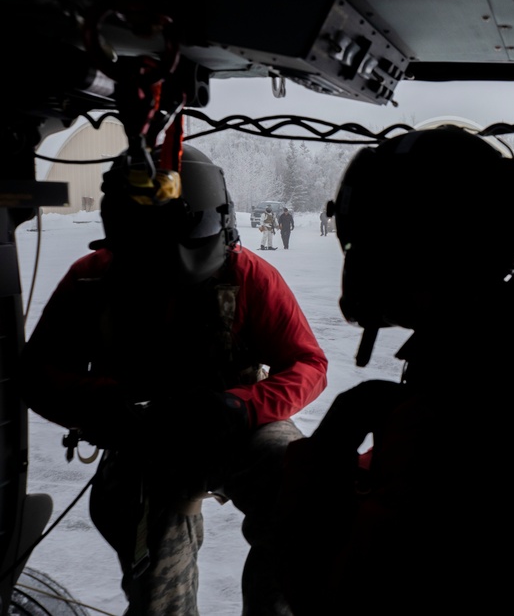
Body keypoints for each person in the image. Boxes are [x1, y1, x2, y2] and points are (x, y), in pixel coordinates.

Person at [278, 126, 514, 616]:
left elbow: (335, 593)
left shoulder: (464, 407)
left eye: (363, 244)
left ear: (414, 253)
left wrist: (323, 458)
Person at [15, 145, 328, 615]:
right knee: (158, 567)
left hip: (236, 426)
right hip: (143, 439)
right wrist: (104, 404)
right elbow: (38, 374)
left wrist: (245, 406)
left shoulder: (249, 277)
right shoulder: (92, 282)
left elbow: (307, 365)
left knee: (300, 498)